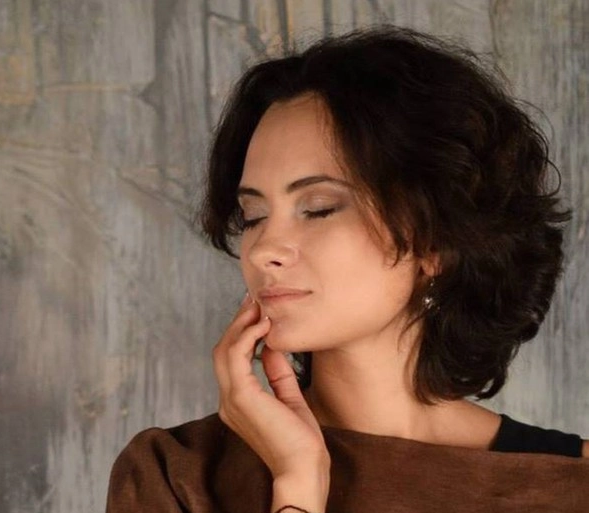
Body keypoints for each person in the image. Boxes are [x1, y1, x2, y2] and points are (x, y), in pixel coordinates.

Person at [106, 26, 589, 513]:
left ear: (435, 243)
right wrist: (298, 479)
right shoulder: (174, 476)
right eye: (253, 216)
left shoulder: (569, 485)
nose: (262, 249)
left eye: (317, 208)